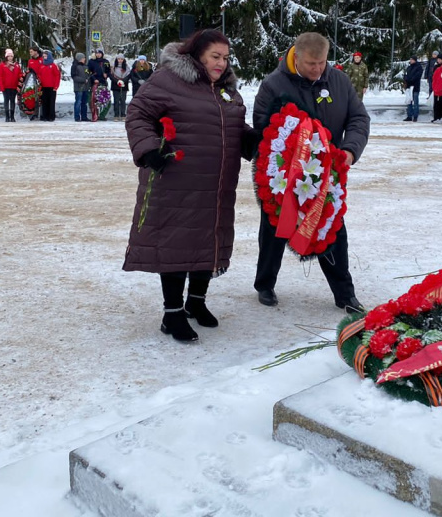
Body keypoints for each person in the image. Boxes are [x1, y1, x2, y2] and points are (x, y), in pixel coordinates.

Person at [123, 29, 256, 342]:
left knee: (206, 240)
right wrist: (148, 148)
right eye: (215, 56)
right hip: (176, 179)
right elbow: (138, 113)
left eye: (225, 57)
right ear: (197, 54)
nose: (222, 63)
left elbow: (236, 127)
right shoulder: (168, 80)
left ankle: (196, 302)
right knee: (176, 242)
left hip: (217, 184)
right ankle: (172, 314)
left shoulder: (226, 89)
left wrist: (259, 143)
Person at [253, 32, 371, 312]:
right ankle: (265, 284)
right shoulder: (273, 84)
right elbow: (263, 127)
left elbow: (358, 118)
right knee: (274, 229)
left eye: (322, 62)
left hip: (328, 175)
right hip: (285, 177)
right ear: (296, 55)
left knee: (332, 229)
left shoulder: (339, 81)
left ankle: (344, 294)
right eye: (310, 64)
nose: (317, 69)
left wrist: (350, 151)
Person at [0, 49, 22, 121]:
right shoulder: (2, 65)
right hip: (6, 86)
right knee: (6, 101)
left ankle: (12, 116)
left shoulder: (16, 65)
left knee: (13, 101)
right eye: (9, 56)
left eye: (11, 56)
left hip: (14, 86)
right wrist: (1, 86)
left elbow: (19, 74)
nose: (10, 57)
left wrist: (20, 81)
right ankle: (7, 117)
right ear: (6, 57)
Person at [38, 50, 60, 121]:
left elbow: (57, 76)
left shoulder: (53, 66)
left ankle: (51, 116)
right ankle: (45, 116)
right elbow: (39, 75)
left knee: (51, 102)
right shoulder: (42, 66)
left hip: (52, 87)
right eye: (43, 56)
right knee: (44, 102)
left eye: (45, 56)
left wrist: (56, 86)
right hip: (43, 87)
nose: (44, 57)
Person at [71, 52, 91, 122]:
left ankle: (84, 116)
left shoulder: (85, 66)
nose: (84, 59)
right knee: (78, 102)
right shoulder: (75, 66)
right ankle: (77, 117)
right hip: (78, 87)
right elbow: (74, 77)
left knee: (84, 103)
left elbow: (88, 75)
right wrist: (83, 80)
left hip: (85, 87)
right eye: (83, 58)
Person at [403, 55, 423, 122]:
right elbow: (405, 75)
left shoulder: (419, 67)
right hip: (409, 87)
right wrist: (406, 79)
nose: (410, 60)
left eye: (412, 59)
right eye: (410, 59)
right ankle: (409, 115)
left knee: (415, 102)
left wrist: (410, 80)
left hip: (415, 86)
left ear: (415, 60)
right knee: (409, 101)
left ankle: (415, 116)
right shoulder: (409, 67)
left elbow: (417, 76)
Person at [111, 55, 130, 120]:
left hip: (124, 85)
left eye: (121, 59)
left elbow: (128, 75)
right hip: (115, 85)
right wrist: (117, 81)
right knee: (116, 101)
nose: (120, 60)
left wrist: (123, 81)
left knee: (123, 101)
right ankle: (116, 115)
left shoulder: (127, 67)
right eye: (119, 59)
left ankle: (123, 114)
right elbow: (111, 76)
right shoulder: (113, 68)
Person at [430, 54, 442, 122]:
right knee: (436, 104)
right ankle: (436, 117)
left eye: (440, 59)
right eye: (438, 59)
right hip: (436, 87)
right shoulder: (436, 67)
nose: (439, 60)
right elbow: (434, 78)